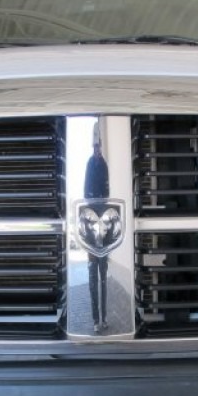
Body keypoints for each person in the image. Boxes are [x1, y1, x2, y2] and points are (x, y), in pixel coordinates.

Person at [84, 133, 110, 332]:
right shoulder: (90, 165)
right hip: (92, 237)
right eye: (95, 147)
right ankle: (95, 320)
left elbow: (107, 190)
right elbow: (86, 189)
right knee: (93, 278)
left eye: (98, 147)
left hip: (104, 236)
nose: (97, 150)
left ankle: (105, 317)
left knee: (104, 278)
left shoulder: (103, 165)